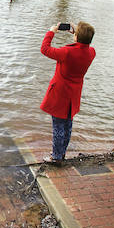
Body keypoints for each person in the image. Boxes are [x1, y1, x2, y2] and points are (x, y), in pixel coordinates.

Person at [40, 21, 96, 162]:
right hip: (74, 95)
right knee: (67, 126)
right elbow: (84, 46)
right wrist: (77, 36)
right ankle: (62, 152)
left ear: (76, 37)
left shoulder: (67, 52)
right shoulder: (91, 53)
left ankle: (56, 157)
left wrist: (51, 32)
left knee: (58, 127)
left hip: (60, 94)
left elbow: (45, 49)